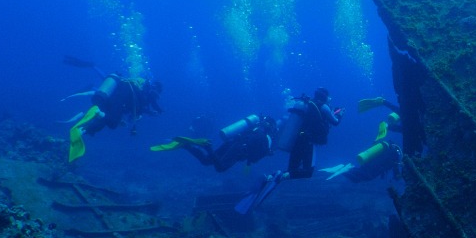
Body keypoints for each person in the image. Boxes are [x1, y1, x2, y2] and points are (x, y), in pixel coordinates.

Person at [66, 74, 164, 162]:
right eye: (156, 95)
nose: (154, 98)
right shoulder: (145, 91)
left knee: (105, 121)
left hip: (116, 94)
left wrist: (149, 112)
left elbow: (133, 105)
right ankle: (97, 112)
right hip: (122, 95)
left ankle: (82, 130)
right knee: (112, 123)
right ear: (155, 90)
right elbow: (139, 106)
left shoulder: (139, 87)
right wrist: (151, 112)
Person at [150, 114, 278, 173]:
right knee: (221, 168)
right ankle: (207, 146)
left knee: (206, 161)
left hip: (232, 142)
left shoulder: (255, 129)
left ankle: (186, 146)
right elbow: (255, 157)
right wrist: (268, 152)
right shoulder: (266, 138)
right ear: (271, 128)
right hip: (239, 148)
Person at [283, 88, 343, 179]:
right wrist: (340, 114)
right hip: (308, 142)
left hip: (297, 139)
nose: (330, 98)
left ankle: (273, 176)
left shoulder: (308, 103)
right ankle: (283, 176)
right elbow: (335, 122)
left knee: (291, 169)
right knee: (308, 172)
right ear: (325, 97)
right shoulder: (323, 106)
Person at [320, 140, 403, 183]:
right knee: (362, 177)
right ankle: (345, 168)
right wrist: (400, 175)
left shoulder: (389, 151)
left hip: (369, 163)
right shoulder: (396, 155)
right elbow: (396, 174)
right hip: (374, 168)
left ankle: (344, 168)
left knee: (357, 177)